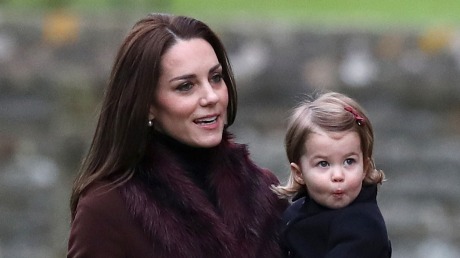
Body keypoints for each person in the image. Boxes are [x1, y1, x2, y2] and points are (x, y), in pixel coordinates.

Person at [67, 13, 287, 258]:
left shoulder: (265, 191)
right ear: (147, 104)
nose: (211, 97)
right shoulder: (108, 207)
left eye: (215, 78)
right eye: (186, 86)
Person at [272, 92, 392, 258]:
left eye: (349, 161)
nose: (338, 175)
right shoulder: (296, 212)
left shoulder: (363, 228)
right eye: (323, 164)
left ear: (364, 166)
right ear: (299, 173)